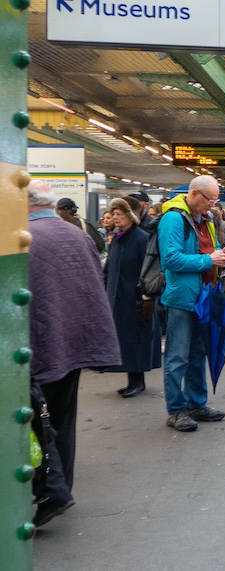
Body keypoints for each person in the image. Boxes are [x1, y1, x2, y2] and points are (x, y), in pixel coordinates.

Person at [27, 181, 120, 526]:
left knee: (35, 418)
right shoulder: (77, 234)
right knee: (62, 418)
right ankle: (60, 485)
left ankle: (51, 490)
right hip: (76, 339)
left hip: (40, 344)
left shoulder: (23, 237)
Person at [159, 175, 225, 432]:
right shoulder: (173, 219)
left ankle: (197, 403)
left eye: (215, 201)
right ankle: (176, 409)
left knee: (197, 354)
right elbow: (170, 259)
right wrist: (208, 261)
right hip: (182, 298)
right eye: (209, 200)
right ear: (193, 194)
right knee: (177, 356)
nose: (212, 206)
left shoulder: (205, 220)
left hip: (203, 295)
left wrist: (220, 255)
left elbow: (208, 250)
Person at [104, 197, 159, 397]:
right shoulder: (117, 238)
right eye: (114, 214)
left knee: (135, 339)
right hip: (119, 298)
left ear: (131, 216)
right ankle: (132, 380)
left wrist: (146, 296)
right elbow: (109, 268)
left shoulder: (141, 238)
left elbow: (150, 270)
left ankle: (137, 381)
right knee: (126, 340)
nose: (115, 218)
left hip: (135, 298)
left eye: (119, 214)